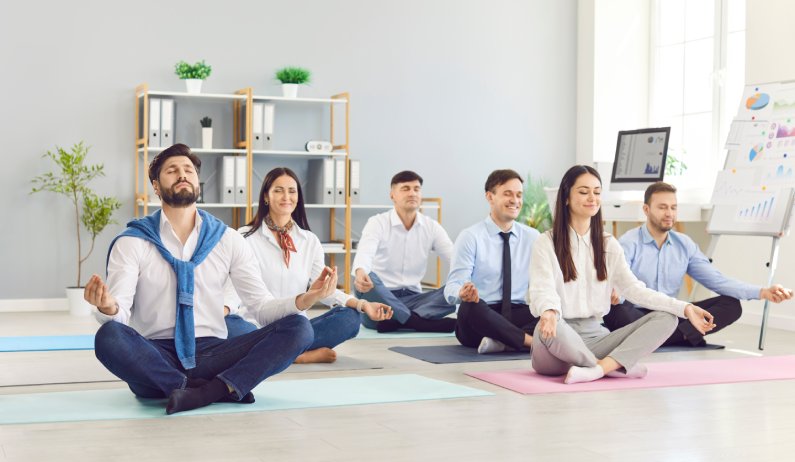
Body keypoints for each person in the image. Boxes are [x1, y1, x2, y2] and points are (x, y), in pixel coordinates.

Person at [84, 144, 337, 415]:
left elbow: (262, 308)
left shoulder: (228, 239)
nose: (182, 175)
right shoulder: (132, 242)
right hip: (155, 356)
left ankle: (199, 391)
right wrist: (108, 307)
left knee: (299, 328)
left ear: (197, 182)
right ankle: (215, 387)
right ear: (156, 186)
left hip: (213, 352)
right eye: (172, 170)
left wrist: (307, 298)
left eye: (188, 170)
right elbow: (119, 315)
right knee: (109, 336)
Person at [528, 165, 716, 384]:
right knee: (554, 326)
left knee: (667, 318)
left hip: (595, 336)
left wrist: (685, 308)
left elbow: (635, 290)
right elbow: (542, 288)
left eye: (597, 192)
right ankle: (614, 366)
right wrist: (549, 313)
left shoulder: (608, 244)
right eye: (583, 191)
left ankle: (596, 369)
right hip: (556, 338)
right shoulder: (545, 242)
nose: (592, 198)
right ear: (566, 198)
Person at [223, 167, 393, 363]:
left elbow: (325, 291)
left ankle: (278, 353)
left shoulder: (309, 241)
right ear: (266, 197)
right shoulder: (244, 237)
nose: (286, 196)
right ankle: (298, 356)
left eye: (292, 191)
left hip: (296, 328)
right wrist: (224, 309)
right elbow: (232, 289)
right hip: (254, 328)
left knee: (350, 318)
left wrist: (363, 304)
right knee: (228, 325)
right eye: (278, 190)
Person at [604, 181, 793, 346]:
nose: (669, 213)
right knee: (615, 311)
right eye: (662, 207)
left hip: (672, 313)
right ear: (646, 210)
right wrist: (616, 294)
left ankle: (657, 338)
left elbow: (718, 281)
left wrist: (762, 292)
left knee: (731, 304)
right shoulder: (629, 243)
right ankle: (685, 335)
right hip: (638, 315)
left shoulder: (684, 244)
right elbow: (620, 284)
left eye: (673, 207)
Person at [445, 169, 540, 354]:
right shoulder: (470, 237)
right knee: (470, 307)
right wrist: (462, 293)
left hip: (516, 312)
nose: (515, 200)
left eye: (519, 195)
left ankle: (502, 342)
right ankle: (530, 342)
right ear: (490, 197)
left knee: (551, 311)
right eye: (508, 194)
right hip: (481, 315)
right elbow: (451, 288)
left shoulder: (533, 237)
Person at [352, 170, 457, 332]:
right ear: (392, 195)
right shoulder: (377, 222)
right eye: (405, 188)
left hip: (415, 299)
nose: (412, 193)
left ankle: (401, 320)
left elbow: (455, 258)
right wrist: (360, 272)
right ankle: (418, 322)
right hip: (381, 300)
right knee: (369, 276)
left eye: (416, 189)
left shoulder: (431, 227)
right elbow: (365, 253)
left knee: (459, 285)